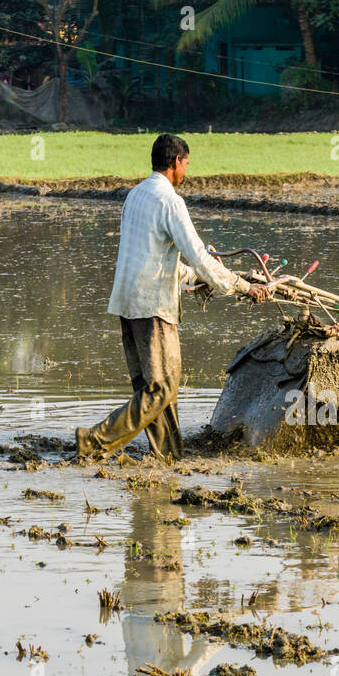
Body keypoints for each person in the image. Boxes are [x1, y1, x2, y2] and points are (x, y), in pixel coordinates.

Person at [75, 133, 268, 461]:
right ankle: (94, 441)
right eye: (186, 164)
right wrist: (242, 285)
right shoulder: (170, 201)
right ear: (176, 162)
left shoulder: (134, 196)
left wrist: (199, 279)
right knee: (162, 389)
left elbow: (155, 259)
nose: (187, 171)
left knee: (153, 390)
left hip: (128, 302)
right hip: (152, 307)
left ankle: (169, 455)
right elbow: (199, 255)